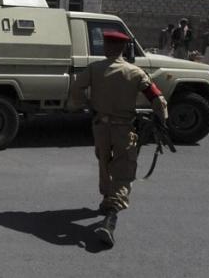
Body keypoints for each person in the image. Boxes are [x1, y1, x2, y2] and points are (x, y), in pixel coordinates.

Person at [69, 30, 168, 248]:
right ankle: (110, 218)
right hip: (124, 129)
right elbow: (157, 98)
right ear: (123, 49)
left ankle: (107, 199)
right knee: (123, 172)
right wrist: (162, 121)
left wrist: (83, 104)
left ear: (106, 47)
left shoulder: (94, 69)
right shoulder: (135, 72)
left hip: (100, 128)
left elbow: (76, 88)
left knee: (104, 164)